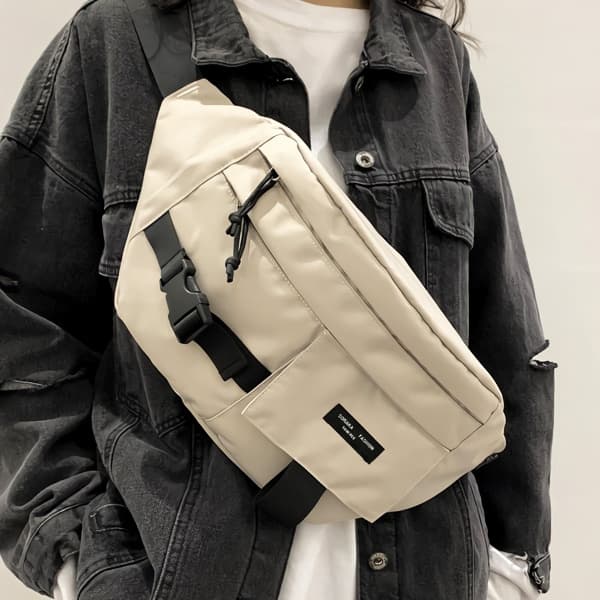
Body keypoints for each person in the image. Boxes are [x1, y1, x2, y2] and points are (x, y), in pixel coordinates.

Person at [0, 1, 557, 599]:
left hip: (427, 575)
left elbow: (504, 334)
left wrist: (510, 568)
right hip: (182, 577)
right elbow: (25, 324)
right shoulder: (117, 42)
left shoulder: (435, 61)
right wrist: (74, 554)